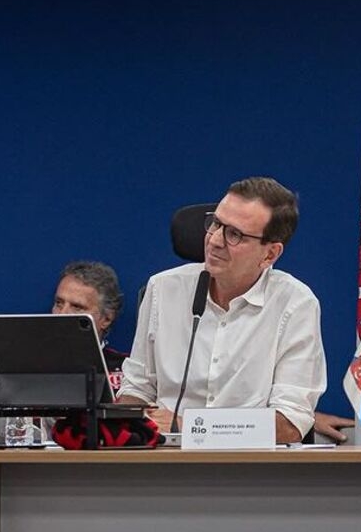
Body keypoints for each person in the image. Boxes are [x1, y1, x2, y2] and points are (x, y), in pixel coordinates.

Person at [117, 177, 327, 444]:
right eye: (216, 223)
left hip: (252, 469)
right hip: (165, 461)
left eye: (235, 234)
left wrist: (191, 426)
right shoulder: (162, 289)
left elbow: (289, 424)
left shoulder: (296, 304)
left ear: (270, 255)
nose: (215, 240)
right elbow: (136, 389)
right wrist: (127, 421)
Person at [51, 260, 127, 391]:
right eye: (59, 303)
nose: (62, 314)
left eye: (77, 307)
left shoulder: (130, 373)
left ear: (106, 318)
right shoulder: (23, 366)